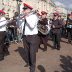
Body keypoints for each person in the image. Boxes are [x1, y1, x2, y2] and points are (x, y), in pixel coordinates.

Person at [20, 3, 39, 72]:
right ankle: (28, 63)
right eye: (23, 9)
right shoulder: (24, 17)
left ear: (29, 10)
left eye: (25, 9)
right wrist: (20, 20)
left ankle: (33, 66)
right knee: (26, 51)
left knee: (32, 53)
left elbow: (32, 26)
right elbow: (21, 26)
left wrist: (26, 18)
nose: (23, 10)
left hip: (32, 37)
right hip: (25, 36)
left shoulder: (34, 16)